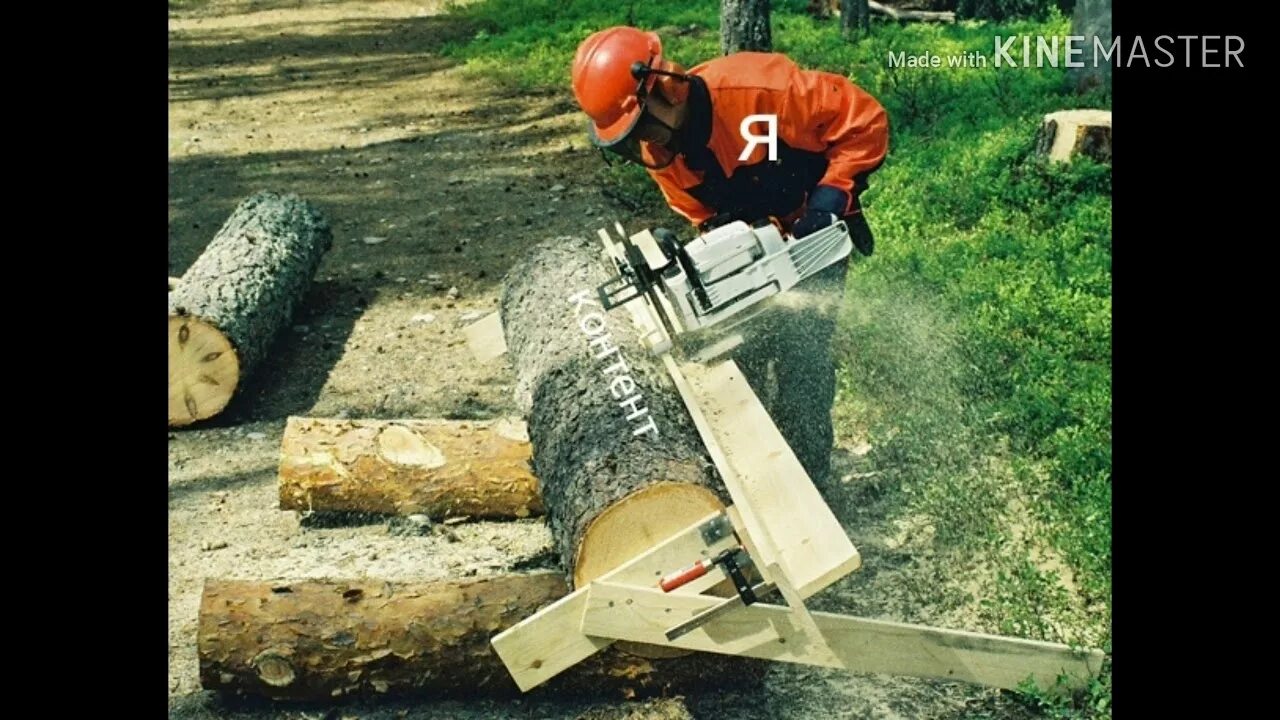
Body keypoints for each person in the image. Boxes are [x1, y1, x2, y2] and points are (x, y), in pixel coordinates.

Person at [571, 26, 889, 483]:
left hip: (814, 231)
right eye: (632, 135)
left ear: (665, 86)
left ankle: (811, 483)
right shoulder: (666, 155)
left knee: (804, 357)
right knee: (742, 355)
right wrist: (722, 243)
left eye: (643, 124)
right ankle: (757, 476)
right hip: (753, 247)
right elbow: (699, 212)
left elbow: (864, 120)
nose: (645, 142)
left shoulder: (759, 92)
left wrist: (832, 193)